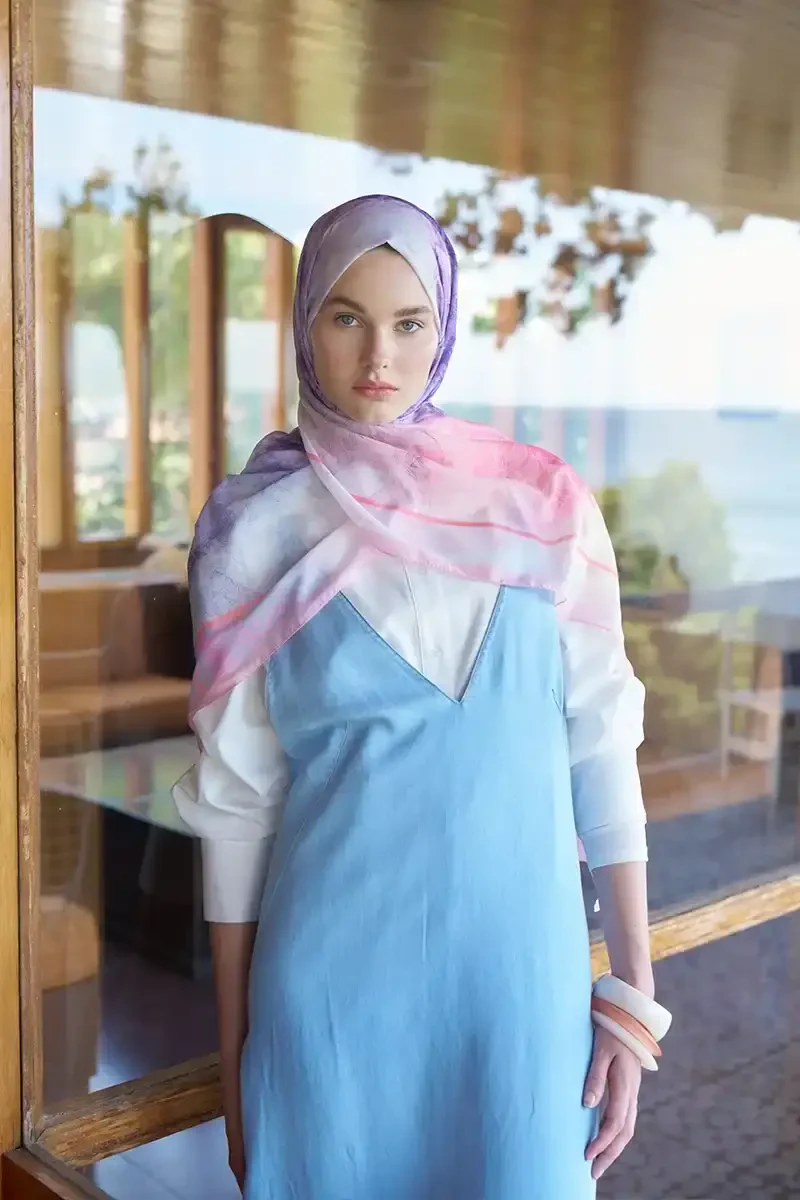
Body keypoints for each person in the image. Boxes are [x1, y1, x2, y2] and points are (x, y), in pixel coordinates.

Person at [173, 194, 671, 1200]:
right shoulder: (250, 536)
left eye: (409, 323)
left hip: (521, 1000)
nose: (378, 356)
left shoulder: (540, 506)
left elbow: (600, 743)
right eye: (346, 316)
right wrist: (236, 1069)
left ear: (442, 332)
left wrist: (632, 994)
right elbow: (237, 811)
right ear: (304, 322)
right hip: (328, 1011)